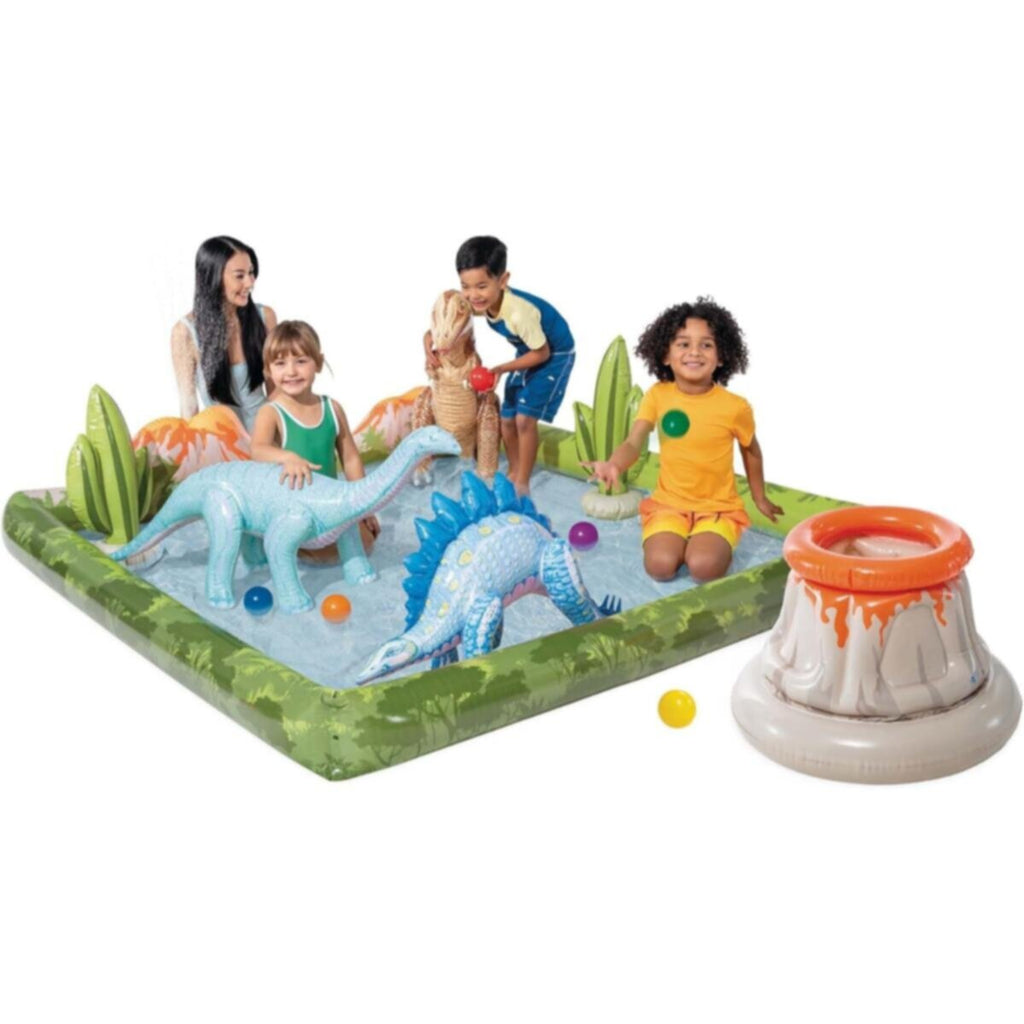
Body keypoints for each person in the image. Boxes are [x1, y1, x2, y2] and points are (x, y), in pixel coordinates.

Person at [584, 298, 783, 583]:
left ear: (722, 357)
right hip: (669, 504)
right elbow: (634, 441)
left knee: (703, 567)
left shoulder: (735, 407)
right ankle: (677, 536)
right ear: (665, 355)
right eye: (683, 344)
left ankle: (712, 541)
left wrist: (759, 497)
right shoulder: (658, 395)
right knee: (660, 566)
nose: (695, 352)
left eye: (707, 345)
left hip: (717, 508)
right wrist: (615, 464)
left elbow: (751, 451)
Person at [426, 235, 575, 495]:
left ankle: (523, 481)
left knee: (524, 419)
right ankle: (514, 470)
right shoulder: (479, 302)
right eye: (465, 286)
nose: (473, 296)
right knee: (506, 419)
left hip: (554, 354)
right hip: (528, 349)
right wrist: (428, 341)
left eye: (482, 286)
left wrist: (501, 369)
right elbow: (449, 323)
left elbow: (542, 353)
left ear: (503, 280)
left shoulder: (518, 312)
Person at [250, 320, 380, 559]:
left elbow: (350, 458)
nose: (291, 372)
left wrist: (364, 507)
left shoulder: (332, 408)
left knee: (367, 541)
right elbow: (257, 450)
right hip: (292, 511)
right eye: (280, 363)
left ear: (318, 363)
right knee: (330, 553)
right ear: (268, 370)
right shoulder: (271, 413)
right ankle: (293, 550)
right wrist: (287, 457)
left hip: (327, 507)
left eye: (301, 361)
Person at [170, 235, 278, 434]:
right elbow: (189, 409)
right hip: (222, 442)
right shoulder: (184, 332)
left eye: (251, 273)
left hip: (267, 437)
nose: (250, 283)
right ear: (213, 277)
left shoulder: (265, 317)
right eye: (239, 276)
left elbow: (277, 392)